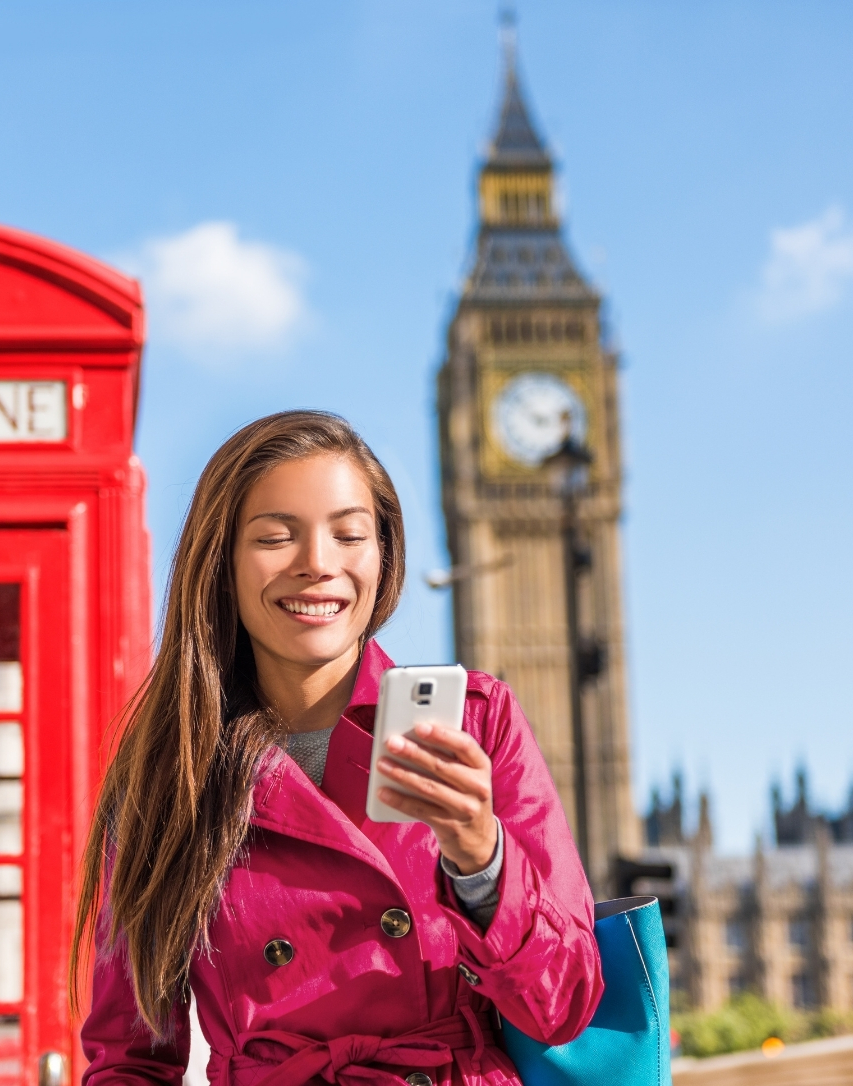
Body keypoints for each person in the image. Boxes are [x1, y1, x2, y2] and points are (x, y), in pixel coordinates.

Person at [74, 411, 603, 1086]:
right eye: (273, 537)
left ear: (383, 557)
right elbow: (129, 1059)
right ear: (221, 564)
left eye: (349, 534)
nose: (317, 565)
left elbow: (563, 1007)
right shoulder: (169, 774)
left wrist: (480, 860)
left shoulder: (476, 722)